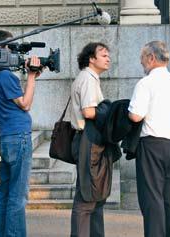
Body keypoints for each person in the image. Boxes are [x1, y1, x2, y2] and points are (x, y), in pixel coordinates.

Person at [128, 41, 170, 237]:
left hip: (152, 145)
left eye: (142, 59)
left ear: (151, 58)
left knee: (152, 197)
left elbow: (136, 116)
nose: (141, 62)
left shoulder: (145, 83)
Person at [0, 30, 42, 237]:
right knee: (18, 196)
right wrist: (32, 77)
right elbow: (25, 104)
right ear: (1, 49)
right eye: (10, 47)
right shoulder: (6, 76)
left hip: (7, 137)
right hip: (18, 137)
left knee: (5, 192)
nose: (13, 52)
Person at [70, 42, 110, 237]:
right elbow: (88, 111)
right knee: (86, 197)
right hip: (88, 141)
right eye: (103, 55)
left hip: (89, 140)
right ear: (91, 59)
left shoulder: (90, 78)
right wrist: (109, 114)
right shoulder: (87, 78)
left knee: (95, 197)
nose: (108, 58)